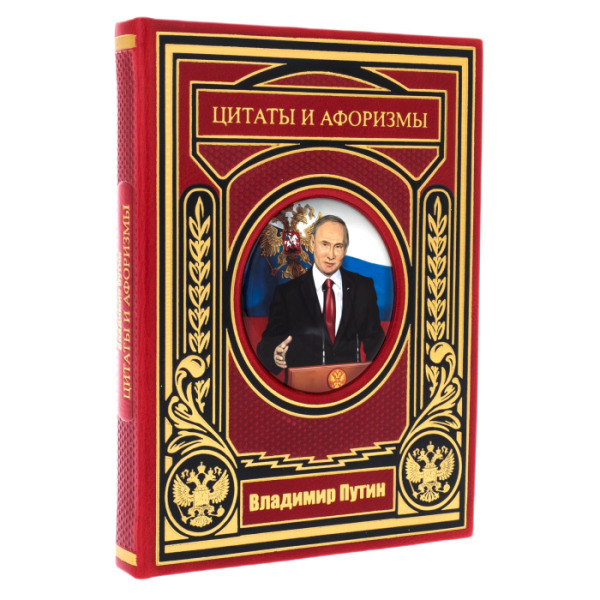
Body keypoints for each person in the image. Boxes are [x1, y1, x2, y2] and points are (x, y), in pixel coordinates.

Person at [256, 215, 385, 375]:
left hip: (351, 386)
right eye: (325, 244)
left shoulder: (363, 288)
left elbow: (377, 343)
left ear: (345, 249)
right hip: (304, 387)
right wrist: (275, 354)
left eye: (338, 246)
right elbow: (267, 346)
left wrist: (370, 379)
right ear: (312, 243)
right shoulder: (287, 294)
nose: (331, 255)